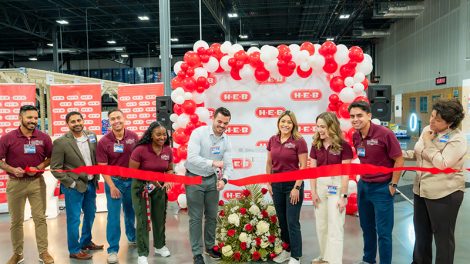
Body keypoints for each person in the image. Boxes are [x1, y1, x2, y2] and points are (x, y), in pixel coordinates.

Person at [402, 99, 466, 264]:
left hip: (445, 193)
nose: (431, 121)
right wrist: (399, 154)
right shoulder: (427, 130)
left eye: (437, 120)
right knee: (421, 233)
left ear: (450, 123)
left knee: (443, 239)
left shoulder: (457, 139)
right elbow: (419, 152)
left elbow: (442, 164)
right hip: (421, 190)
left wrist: (429, 142)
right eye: (431, 116)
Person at [348, 101, 404, 264]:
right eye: (352, 116)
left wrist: (393, 185)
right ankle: (368, 259)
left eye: (359, 115)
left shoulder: (385, 134)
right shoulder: (355, 135)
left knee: (384, 232)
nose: (355, 119)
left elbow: (399, 160)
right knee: (367, 228)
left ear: (369, 116)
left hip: (382, 188)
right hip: (364, 186)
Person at [0, 105, 54, 264]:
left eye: (35, 118)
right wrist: (11, 169)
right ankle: (18, 253)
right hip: (15, 184)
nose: (33, 121)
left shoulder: (44, 137)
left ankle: (43, 252)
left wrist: (39, 167)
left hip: (37, 183)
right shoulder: (8, 138)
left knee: (40, 219)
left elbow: (50, 158)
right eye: (29, 117)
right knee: (16, 221)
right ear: (20, 118)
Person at [51, 111, 103, 260]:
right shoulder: (61, 142)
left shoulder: (91, 136)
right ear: (67, 124)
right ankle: (74, 250)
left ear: (83, 120)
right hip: (74, 187)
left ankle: (86, 241)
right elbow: (55, 168)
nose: (77, 123)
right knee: (74, 219)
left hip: (91, 183)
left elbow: (95, 157)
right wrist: (72, 183)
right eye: (73, 121)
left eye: (79, 120)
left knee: (91, 214)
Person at [184, 107, 233, 264]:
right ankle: (197, 252)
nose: (222, 126)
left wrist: (223, 180)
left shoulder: (226, 140)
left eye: (225, 123)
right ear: (213, 119)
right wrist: (212, 163)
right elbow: (191, 158)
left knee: (212, 216)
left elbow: (228, 164)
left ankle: (210, 247)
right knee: (196, 217)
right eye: (219, 121)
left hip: (212, 179)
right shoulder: (199, 133)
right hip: (194, 178)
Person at [310, 112, 353, 264]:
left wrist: (344, 196)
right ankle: (324, 257)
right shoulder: (316, 144)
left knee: (335, 226)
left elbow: (346, 174)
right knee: (321, 225)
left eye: (322, 126)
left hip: (336, 186)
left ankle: (334, 261)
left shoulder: (344, 146)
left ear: (331, 126)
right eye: (317, 126)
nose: (319, 130)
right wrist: (313, 192)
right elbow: (312, 171)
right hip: (320, 187)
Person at [96, 109, 138, 263]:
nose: (116, 121)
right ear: (109, 122)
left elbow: (139, 160)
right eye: (112, 119)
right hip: (114, 182)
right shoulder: (104, 142)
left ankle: (132, 237)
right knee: (113, 216)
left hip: (131, 181)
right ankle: (113, 249)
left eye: (118, 118)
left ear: (124, 118)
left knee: (130, 211)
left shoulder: (133, 137)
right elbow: (103, 167)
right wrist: (112, 186)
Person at [266, 110, 308, 264]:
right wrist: (269, 182)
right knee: (282, 220)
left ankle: (296, 256)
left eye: (289, 122)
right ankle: (287, 250)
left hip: (293, 185)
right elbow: (269, 163)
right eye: (283, 121)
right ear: (279, 123)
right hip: (277, 185)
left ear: (293, 125)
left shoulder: (299, 140)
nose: (285, 124)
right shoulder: (273, 139)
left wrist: (297, 187)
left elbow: (303, 166)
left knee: (292, 221)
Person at [129, 121, 174, 264]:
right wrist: (150, 179)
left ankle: (160, 246)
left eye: (164, 134)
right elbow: (132, 172)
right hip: (141, 188)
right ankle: (142, 253)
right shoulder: (140, 150)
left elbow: (169, 169)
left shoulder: (167, 150)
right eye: (158, 134)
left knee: (160, 218)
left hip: (159, 188)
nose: (162, 137)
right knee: (142, 220)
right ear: (151, 135)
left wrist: (168, 180)